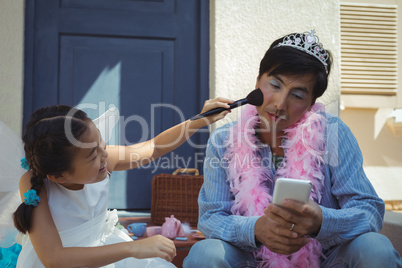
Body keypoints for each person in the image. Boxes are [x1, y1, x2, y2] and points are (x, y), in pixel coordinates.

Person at [183, 30, 402, 268]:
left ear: (311, 104)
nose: (279, 104)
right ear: (257, 83)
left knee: (375, 248)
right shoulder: (223, 140)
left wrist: (321, 222)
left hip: (326, 259)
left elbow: (369, 210)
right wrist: (255, 229)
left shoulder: (333, 134)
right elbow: (211, 218)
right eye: (274, 85)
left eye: (297, 95)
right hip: (251, 260)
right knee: (205, 253)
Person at [9, 98, 232, 268]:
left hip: (105, 249)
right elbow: (54, 257)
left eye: (101, 143)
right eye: (92, 156)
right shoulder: (33, 184)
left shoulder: (107, 158)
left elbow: (154, 146)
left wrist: (198, 120)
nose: (104, 155)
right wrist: (133, 247)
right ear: (59, 176)